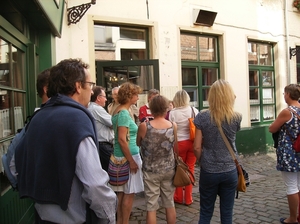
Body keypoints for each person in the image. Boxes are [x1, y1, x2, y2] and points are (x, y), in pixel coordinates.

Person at [15, 58, 117, 224]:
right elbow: (94, 184)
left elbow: (16, 162)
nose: (91, 91)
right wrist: (109, 217)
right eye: (90, 84)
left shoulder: (38, 117)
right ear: (78, 86)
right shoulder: (77, 119)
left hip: (42, 216)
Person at [193, 79, 242, 224]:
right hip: (230, 169)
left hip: (209, 170)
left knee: (206, 212)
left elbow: (196, 147)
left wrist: (203, 161)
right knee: (227, 214)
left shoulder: (202, 117)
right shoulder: (236, 117)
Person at [137, 95, 177, 224]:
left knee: (151, 206)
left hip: (150, 169)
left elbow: (138, 143)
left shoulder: (144, 126)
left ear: (151, 109)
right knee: (169, 203)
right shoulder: (173, 125)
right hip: (168, 168)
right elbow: (174, 145)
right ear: (166, 109)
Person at [110, 82, 144, 224]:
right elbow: (122, 140)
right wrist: (131, 161)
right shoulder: (123, 113)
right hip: (127, 157)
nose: (137, 97)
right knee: (129, 195)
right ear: (129, 96)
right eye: (136, 94)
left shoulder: (118, 110)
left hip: (121, 156)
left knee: (122, 194)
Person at [269, 84, 300, 224]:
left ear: (288, 94)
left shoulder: (288, 111)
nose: (284, 95)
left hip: (289, 154)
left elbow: (272, 128)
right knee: (298, 184)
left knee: (292, 186)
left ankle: (293, 218)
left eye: (284, 93)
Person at [168, 89, 198, 206]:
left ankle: (179, 196)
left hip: (178, 143)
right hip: (192, 142)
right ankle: (189, 198)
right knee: (190, 168)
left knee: (178, 169)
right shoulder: (193, 110)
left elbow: (170, 129)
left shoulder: (172, 113)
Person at [88, 86, 114, 172]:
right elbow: (114, 123)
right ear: (98, 98)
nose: (106, 99)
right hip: (104, 146)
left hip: (101, 145)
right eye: (104, 97)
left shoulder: (92, 108)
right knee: (110, 173)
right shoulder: (97, 109)